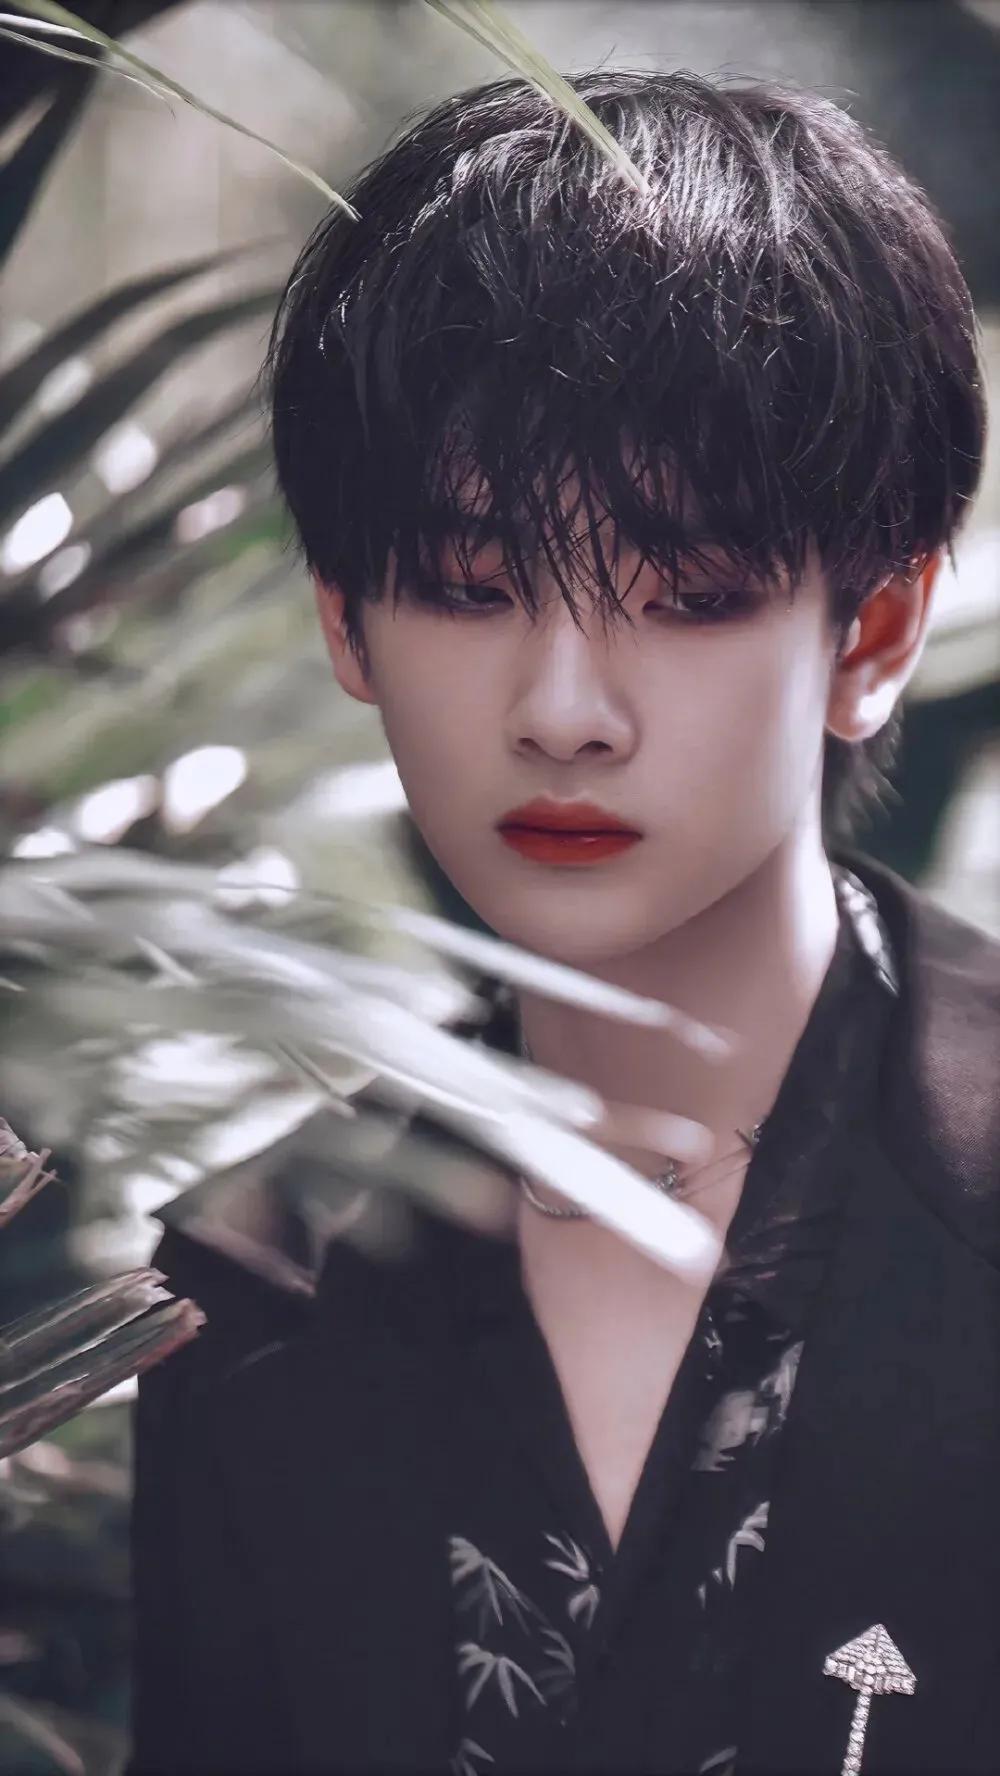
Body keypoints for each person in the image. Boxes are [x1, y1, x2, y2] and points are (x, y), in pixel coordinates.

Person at [127, 68, 1000, 1776]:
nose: (564, 711)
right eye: (469, 587)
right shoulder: (249, 1284)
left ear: (876, 633)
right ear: (348, 624)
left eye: (687, 596)